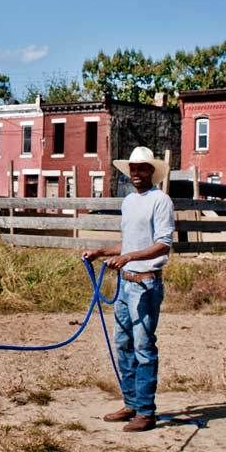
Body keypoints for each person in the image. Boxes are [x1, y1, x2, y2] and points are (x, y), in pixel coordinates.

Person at [82, 146, 175, 433]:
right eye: (133, 168)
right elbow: (129, 243)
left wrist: (130, 258)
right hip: (125, 283)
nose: (137, 172)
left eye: (142, 168)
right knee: (124, 343)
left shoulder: (161, 201)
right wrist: (101, 251)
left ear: (152, 171)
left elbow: (163, 243)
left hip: (145, 283)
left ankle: (146, 412)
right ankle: (131, 402)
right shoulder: (130, 202)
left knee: (144, 346)